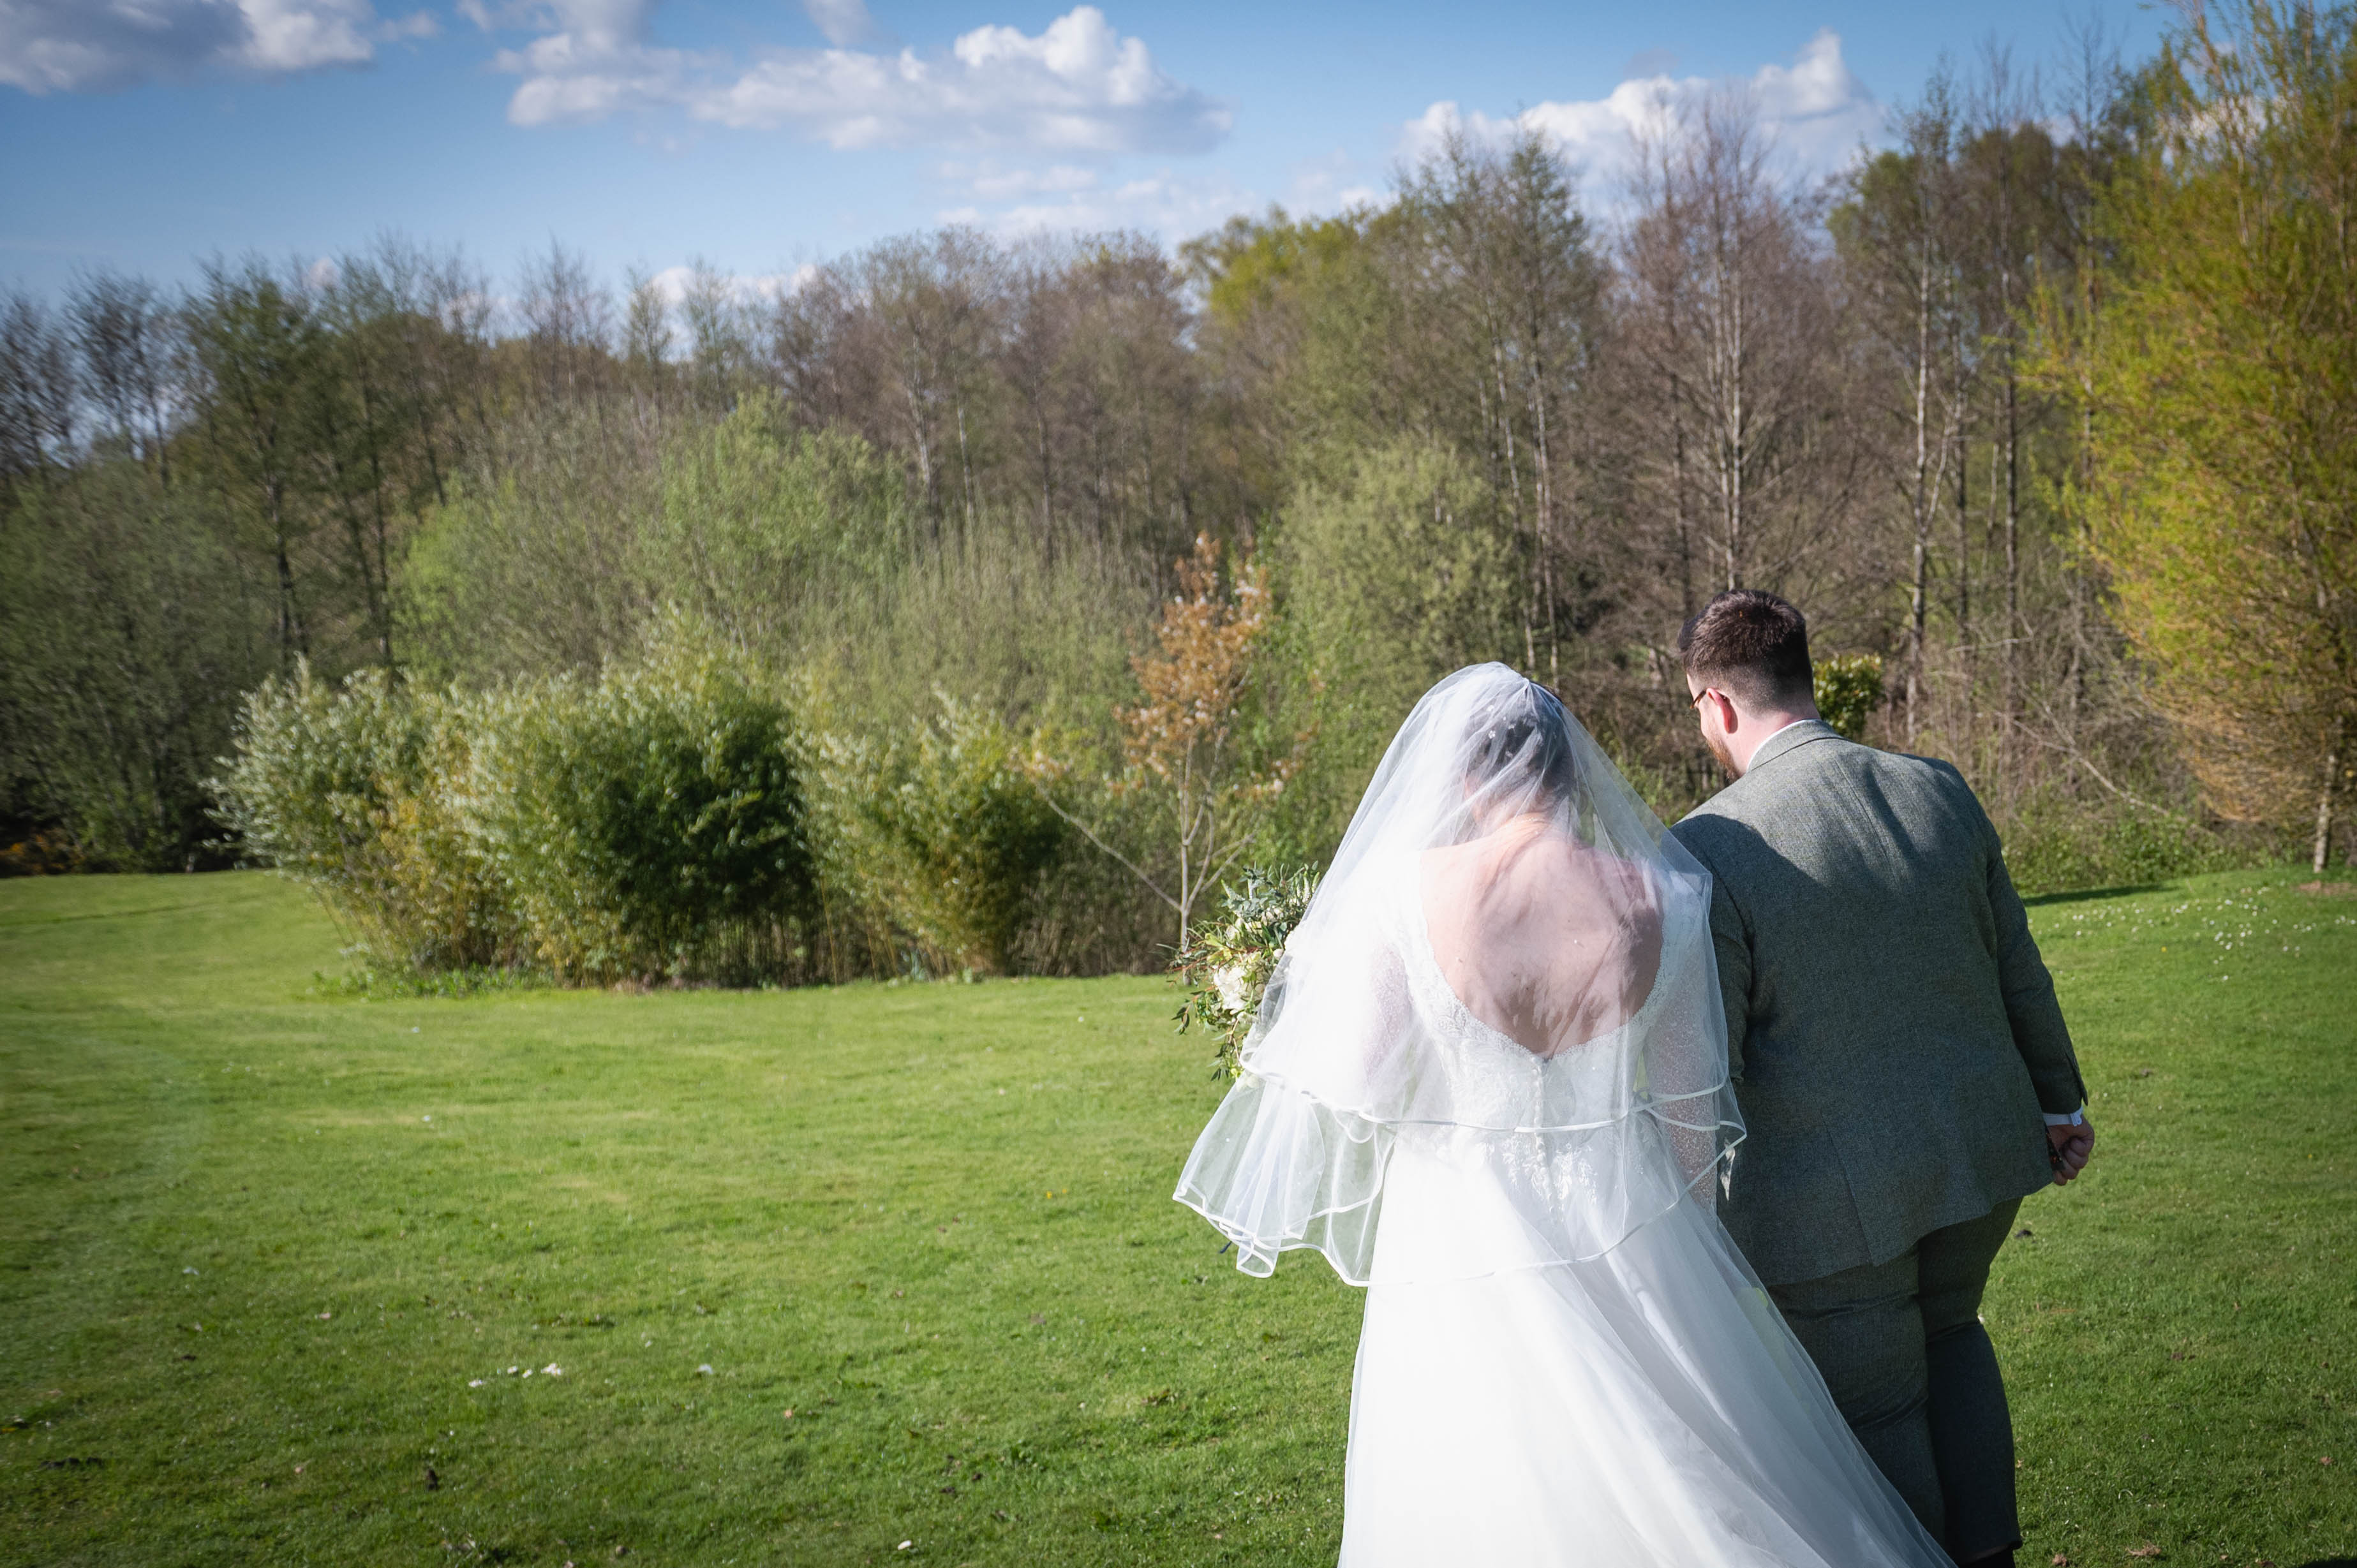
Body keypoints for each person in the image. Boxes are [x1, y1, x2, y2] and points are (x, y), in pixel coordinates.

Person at [1176, 664, 1956, 1565]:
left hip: (1453, 1240)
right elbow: (1688, 1112)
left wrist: (1291, 1008)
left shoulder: (1402, 892)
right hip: (1629, 1223)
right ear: (1571, 771)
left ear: (1463, 776)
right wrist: (1683, 1255)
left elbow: (1356, 1077)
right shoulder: (1665, 896)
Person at [1667, 589, 2093, 1567]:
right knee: (1953, 1338)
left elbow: (1707, 1067)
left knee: (1878, 1408)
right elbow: (2015, 966)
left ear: (1717, 705)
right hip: (1975, 1160)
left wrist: (1691, 1214)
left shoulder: (1708, 845)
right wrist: (2058, 1101)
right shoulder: (1937, 786)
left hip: (1829, 1209)